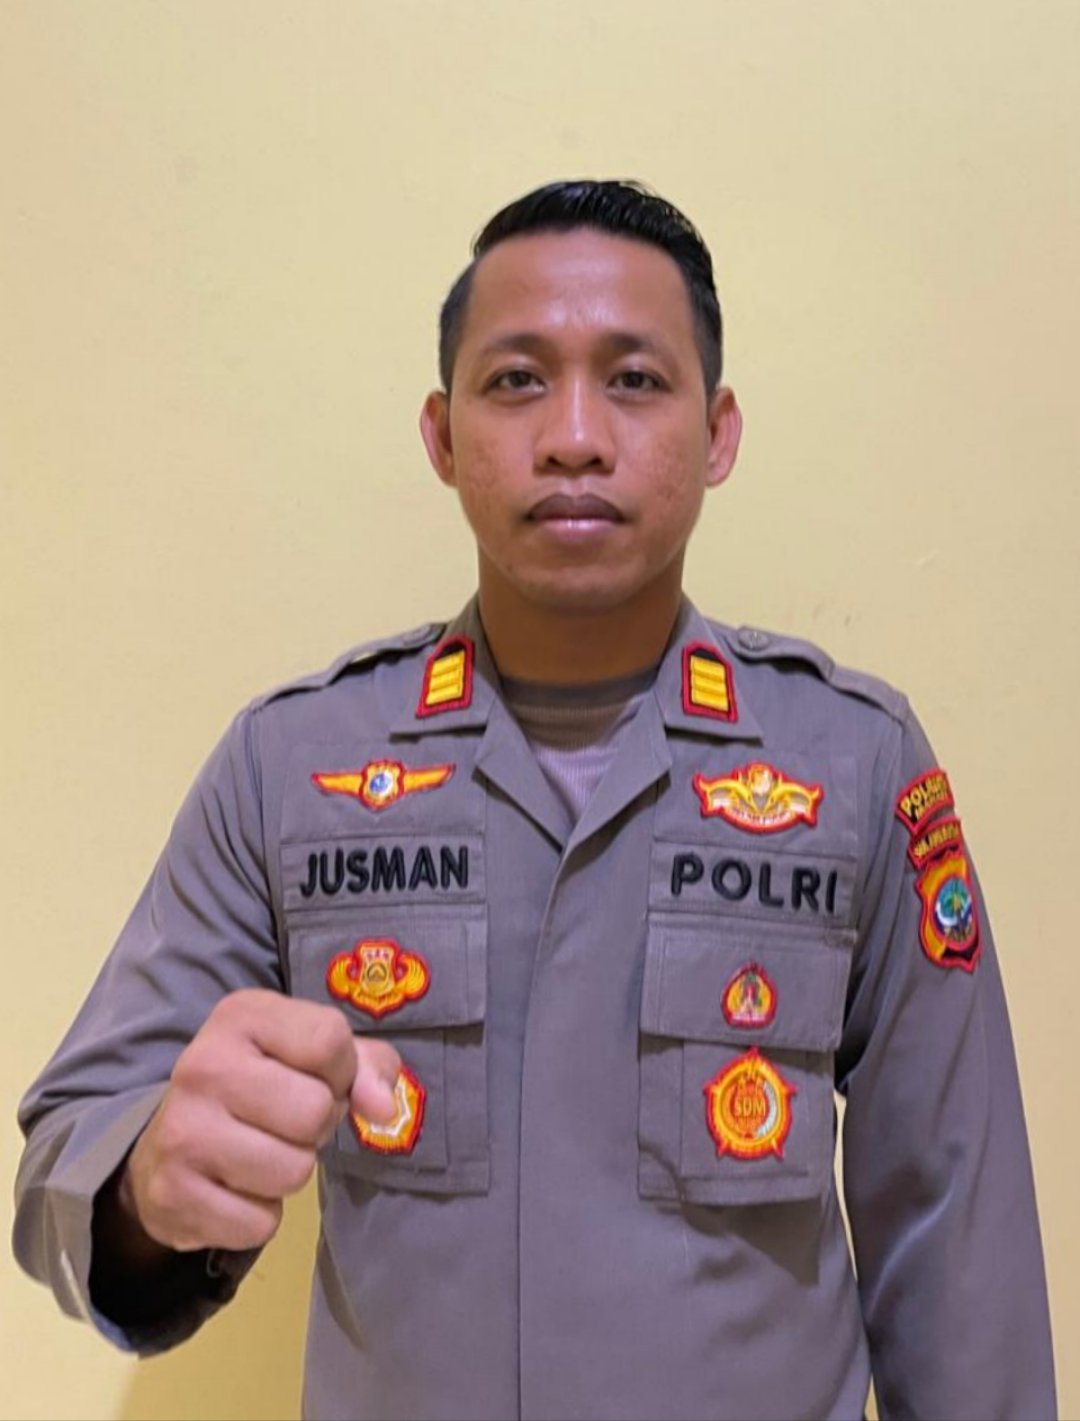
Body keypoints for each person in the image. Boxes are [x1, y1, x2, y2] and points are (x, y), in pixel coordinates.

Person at [13, 180, 1056, 1421]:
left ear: (718, 432)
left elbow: (956, 1236)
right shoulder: (293, 767)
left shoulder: (856, 763)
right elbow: (68, 1157)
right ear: (442, 436)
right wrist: (146, 1187)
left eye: (634, 379)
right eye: (515, 380)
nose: (572, 435)